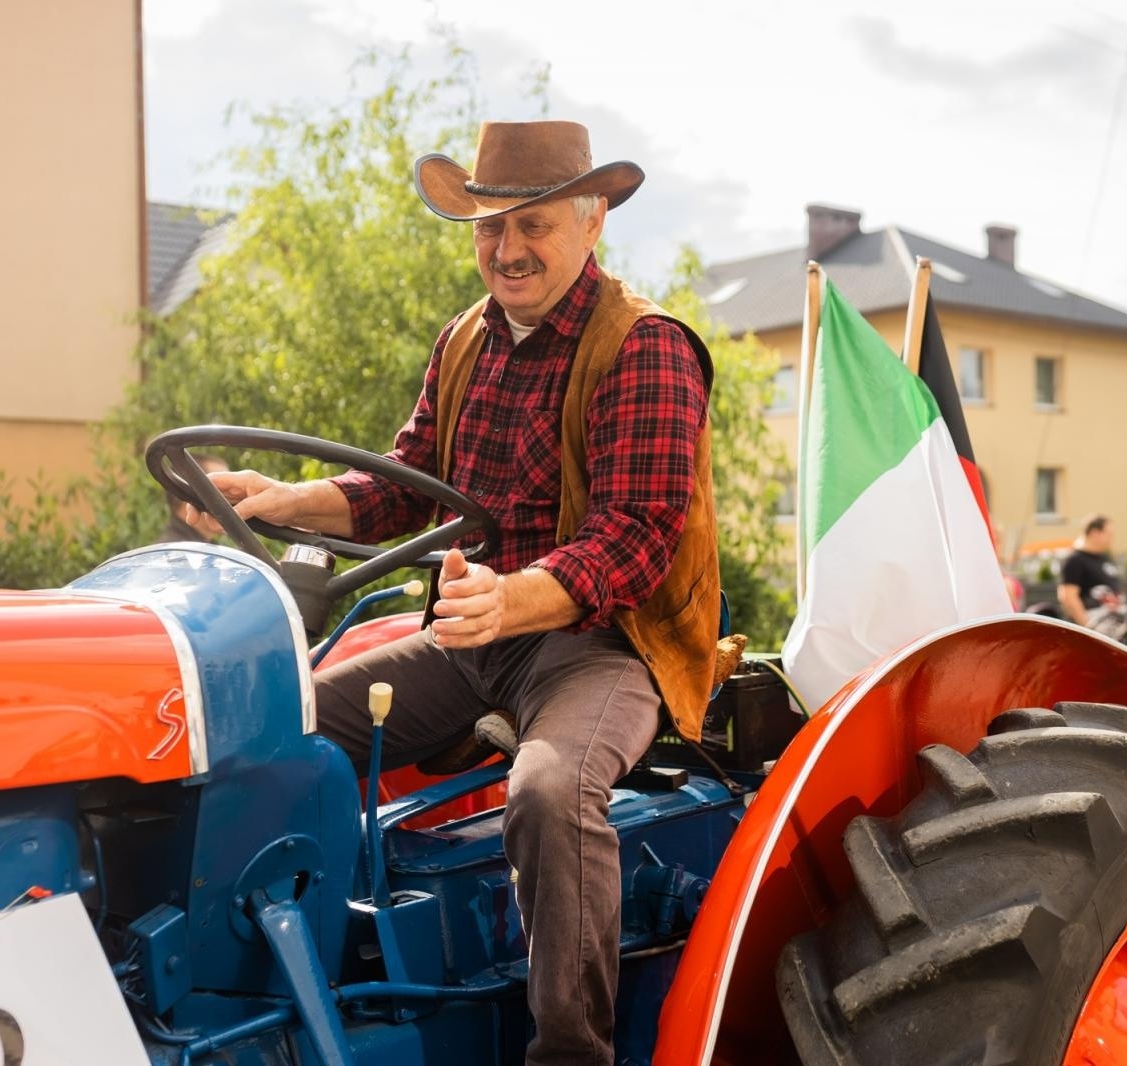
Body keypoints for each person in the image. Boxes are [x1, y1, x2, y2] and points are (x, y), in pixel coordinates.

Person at [197, 121, 716, 1065]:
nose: (508, 251)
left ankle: (571, 1051)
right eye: (490, 228)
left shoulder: (645, 347)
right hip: (476, 642)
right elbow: (402, 483)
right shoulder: (467, 339)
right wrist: (281, 501)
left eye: (535, 226)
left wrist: (514, 599)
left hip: (604, 648)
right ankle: (257, 994)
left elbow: (636, 540)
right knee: (280, 723)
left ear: (591, 221)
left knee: (551, 792)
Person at [1057, 513, 1127, 639]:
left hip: (1113, 633)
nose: (1112, 538)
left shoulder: (1105, 557)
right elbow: (1068, 596)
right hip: (1093, 636)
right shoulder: (1075, 560)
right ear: (1095, 533)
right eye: (1109, 534)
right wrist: (1089, 629)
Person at [156, 454, 230, 543]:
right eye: (222, 489)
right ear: (188, 494)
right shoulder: (176, 553)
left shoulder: (204, 549)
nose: (233, 498)